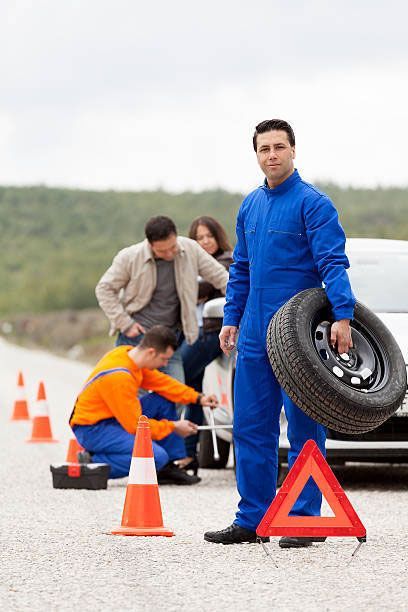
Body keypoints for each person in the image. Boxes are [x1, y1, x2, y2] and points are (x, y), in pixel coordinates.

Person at [204, 119, 355, 547]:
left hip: (298, 335)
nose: (271, 155)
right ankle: (252, 518)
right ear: (256, 154)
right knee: (251, 425)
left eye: (279, 147)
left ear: (293, 151)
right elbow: (243, 270)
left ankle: (305, 519)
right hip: (253, 331)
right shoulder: (249, 205)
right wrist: (231, 317)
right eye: (263, 148)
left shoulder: (314, 203)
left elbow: (332, 263)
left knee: (306, 426)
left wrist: (342, 315)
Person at [70, 325, 218, 485]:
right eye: (164, 359)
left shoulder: (127, 355)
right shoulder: (120, 377)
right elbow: (135, 426)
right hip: (92, 429)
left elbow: (163, 383)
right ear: (151, 352)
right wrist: (173, 427)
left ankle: (167, 467)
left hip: (113, 418)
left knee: (162, 400)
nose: (164, 364)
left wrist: (198, 398)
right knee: (155, 456)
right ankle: (91, 463)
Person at [95, 216, 229, 383]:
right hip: (136, 338)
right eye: (162, 251)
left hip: (169, 340)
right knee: (131, 391)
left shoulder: (190, 249)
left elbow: (222, 278)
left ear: (175, 236)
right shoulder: (129, 257)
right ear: (150, 244)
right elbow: (104, 289)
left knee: (176, 391)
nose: (169, 254)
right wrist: (125, 323)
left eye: (172, 247)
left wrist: (238, 307)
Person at [179, 217, 233, 473]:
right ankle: (189, 457)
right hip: (192, 333)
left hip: (211, 334)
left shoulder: (226, 261)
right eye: (199, 237)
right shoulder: (190, 264)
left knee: (176, 380)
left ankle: (170, 448)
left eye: (209, 236)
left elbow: (197, 289)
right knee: (192, 390)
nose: (205, 241)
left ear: (218, 237)